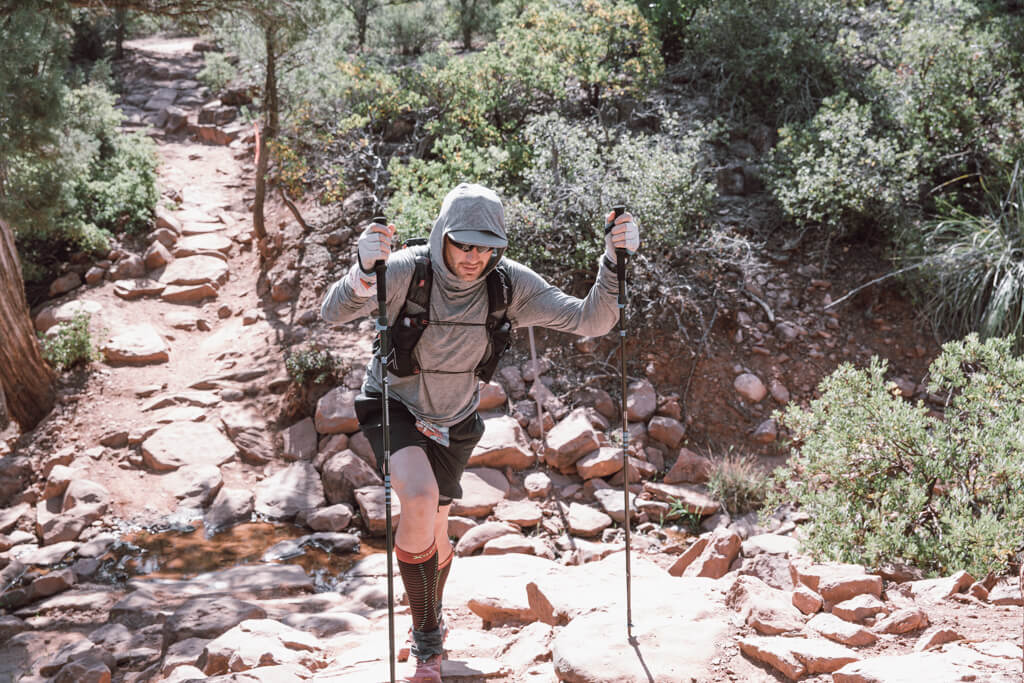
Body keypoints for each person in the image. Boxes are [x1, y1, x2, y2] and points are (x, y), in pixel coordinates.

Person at [320, 183, 640, 682]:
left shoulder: (509, 285)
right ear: (441, 235)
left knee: (439, 532)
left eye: (485, 246)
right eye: (463, 243)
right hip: (393, 403)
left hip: (457, 418)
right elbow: (332, 311)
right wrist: (363, 273)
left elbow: (591, 320)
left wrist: (613, 261)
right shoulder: (406, 270)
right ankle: (427, 644)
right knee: (420, 499)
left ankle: (432, 617)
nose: (474, 257)